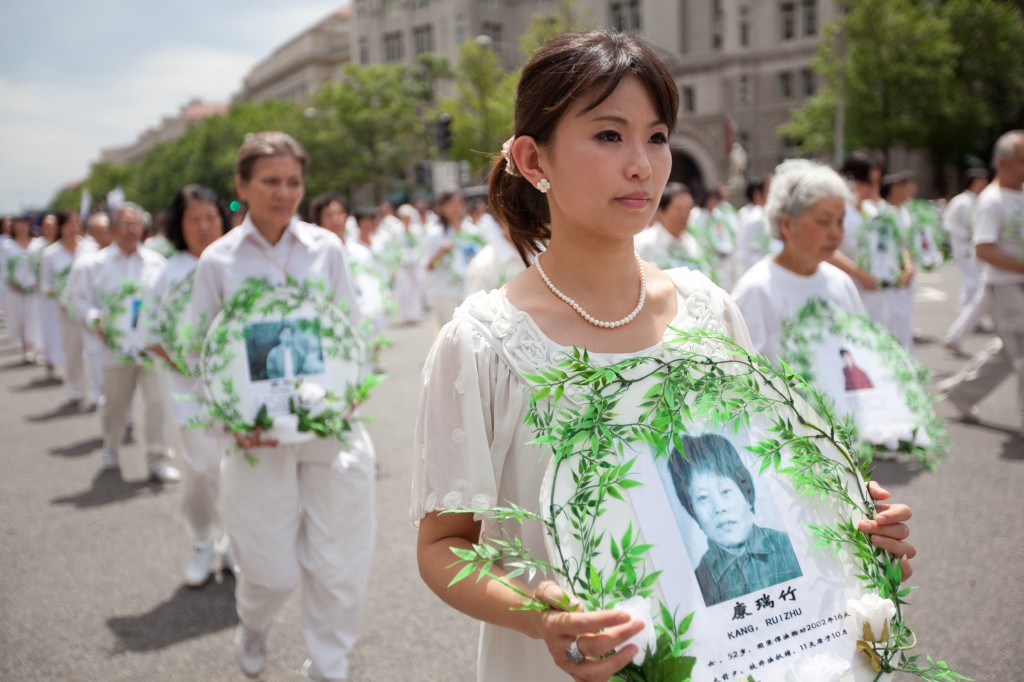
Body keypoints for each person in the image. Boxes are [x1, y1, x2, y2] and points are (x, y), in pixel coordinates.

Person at [412, 30, 914, 682]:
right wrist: (540, 613)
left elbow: (763, 477)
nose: (643, 165)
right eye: (609, 135)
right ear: (535, 159)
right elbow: (444, 545)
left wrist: (846, 525)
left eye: (656, 136)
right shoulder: (481, 343)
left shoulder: (709, 309)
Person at [185, 131, 375, 682]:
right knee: (268, 572)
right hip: (256, 441)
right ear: (241, 186)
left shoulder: (326, 249)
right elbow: (201, 353)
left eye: (293, 181)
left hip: (329, 431)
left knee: (338, 564)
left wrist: (352, 387)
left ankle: (328, 667)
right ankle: (254, 622)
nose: (284, 192)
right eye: (270, 181)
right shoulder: (217, 262)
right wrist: (230, 420)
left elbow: (349, 331)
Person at [144, 184, 231, 587]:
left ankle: (234, 544)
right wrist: (185, 360)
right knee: (201, 470)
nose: (203, 226)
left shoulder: (236, 260)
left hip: (239, 391)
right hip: (190, 391)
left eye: (210, 217)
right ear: (179, 225)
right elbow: (150, 335)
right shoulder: (169, 272)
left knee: (241, 471)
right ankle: (201, 541)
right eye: (193, 219)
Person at [67, 203, 179, 482]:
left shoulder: (157, 263)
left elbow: (170, 302)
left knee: (158, 404)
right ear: (113, 229)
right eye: (125, 224)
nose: (131, 230)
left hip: (150, 349)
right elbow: (76, 300)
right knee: (114, 405)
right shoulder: (93, 265)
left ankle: (159, 459)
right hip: (114, 348)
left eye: (136, 224)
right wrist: (95, 319)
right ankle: (111, 447)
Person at [732, 159, 866, 363]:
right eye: (823, 221)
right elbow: (742, 375)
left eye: (840, 221)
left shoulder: (841, 283)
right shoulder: (756, 290)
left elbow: (864, 352)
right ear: (787, 224)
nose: (835, 233)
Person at [939, 130, 1024, 435]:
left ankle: (960, 392)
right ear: (1002, 162)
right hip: (1005, 285)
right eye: (1022, 161)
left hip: (1016, 284)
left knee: (1009, 350)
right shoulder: (991, 200)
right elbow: (984, 248)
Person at [667, 432, 802, 608]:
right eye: (703, 498)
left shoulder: (791, 548)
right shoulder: (697, 586)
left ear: (747, 494)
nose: (719, 508)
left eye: (725, 491)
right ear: (692, 512)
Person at [941, 168, 992, 356]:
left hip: (976, 249)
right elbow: (949, 224)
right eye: (979, 181)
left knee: (976, 287)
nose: (983, 185)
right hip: (964, 249)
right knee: (976, 285)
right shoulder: (961, 201)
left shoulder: (980, 201)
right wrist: (968, 235)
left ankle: (961, 328)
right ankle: (961, 326)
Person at [41, 211, 89, 403]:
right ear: (61, 227)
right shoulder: (50, 253)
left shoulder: (90, 248)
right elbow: (45, 285)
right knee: (72, 352)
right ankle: (75, 388)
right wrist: (61, 297)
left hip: (89, 309)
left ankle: (96, 392)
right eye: (69, 223)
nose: (73, 227)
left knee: (94, 351)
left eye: (76, 223)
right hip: (65, 311)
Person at [2, 215, 44, 363]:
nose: (22, 228)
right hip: (14, 288)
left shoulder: (38, 244)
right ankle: (25, 346)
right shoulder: (7, 245)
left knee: (35, 318)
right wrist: (11, 282)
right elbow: (4, 266)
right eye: (18, 224)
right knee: (18, 318)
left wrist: (40, 280)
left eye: (24, 224)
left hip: (35, 288)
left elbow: (43, 264)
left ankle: (36, 348)